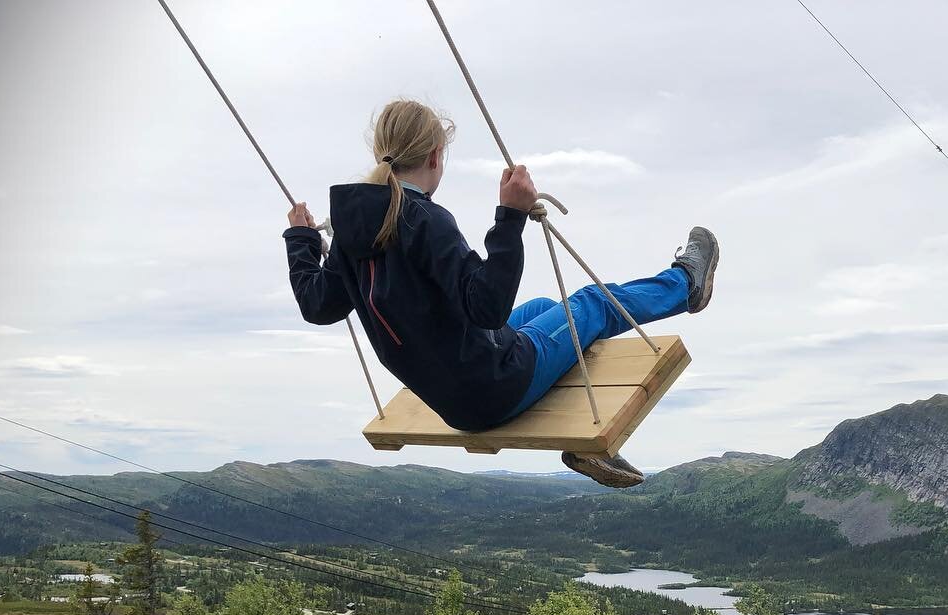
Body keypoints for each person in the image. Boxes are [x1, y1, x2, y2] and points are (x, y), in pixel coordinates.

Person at [283, 98, 719, 488]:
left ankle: (588, 432)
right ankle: (686, 283)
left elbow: (318, 305)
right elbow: (487, 307)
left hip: (449, 390)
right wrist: (510, 218)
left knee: (545, 308)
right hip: (491, 387)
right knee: (590, 303)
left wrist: (301, 242)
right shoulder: (425, 221)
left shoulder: (352, 237)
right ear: (436, 157)